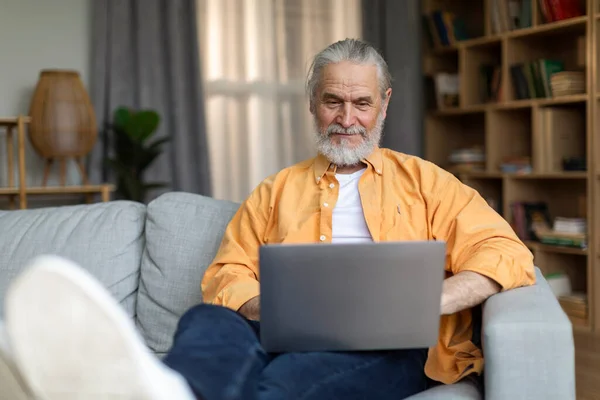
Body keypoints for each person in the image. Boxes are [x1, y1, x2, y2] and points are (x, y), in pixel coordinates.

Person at [0, 38, 535, 400]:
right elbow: (225, 276)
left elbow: (507, 253)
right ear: (311, 104)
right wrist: (271, 303)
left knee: (280, 384)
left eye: (361, 103)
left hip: (391, 343)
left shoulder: (427, 182)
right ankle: (168, 388)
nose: (347, 119)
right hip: (280, 327)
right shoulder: (276, 190)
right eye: (332, 101)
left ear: (384, 104)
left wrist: (429, 300)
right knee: (205, 320)